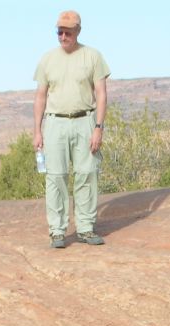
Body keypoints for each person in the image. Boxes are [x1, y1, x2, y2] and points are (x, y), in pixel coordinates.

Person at [31, 10, 110, 249]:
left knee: (87, 174)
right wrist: (37, 130)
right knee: (56, 177)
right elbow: (40, 96)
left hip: (85, 121)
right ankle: (57, 231)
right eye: (60, 32)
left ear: (78, 31)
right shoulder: (47, 59)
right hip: (55, 123)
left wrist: (98, 127)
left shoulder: (93, 56)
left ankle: (85, 228)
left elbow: (101, 94)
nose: (63, 37)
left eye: (68, 32)